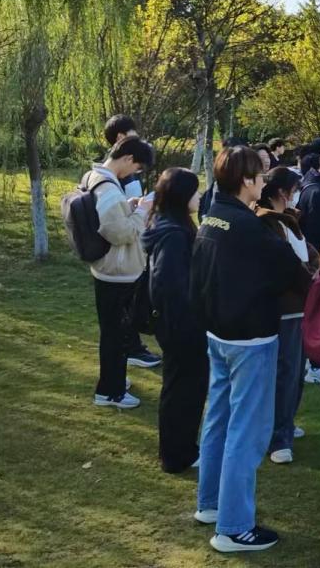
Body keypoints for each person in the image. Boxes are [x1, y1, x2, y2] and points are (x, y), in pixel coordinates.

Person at [191, 146, 312, 554]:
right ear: (246, 181)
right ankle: (234, 526)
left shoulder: (211, 215)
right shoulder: (249, 227)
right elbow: (292, 274)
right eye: (260, 175)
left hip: (218, 335)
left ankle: (209, 504)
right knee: (247, 431)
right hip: (250, 341)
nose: (264, 182)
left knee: (219, 420)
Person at [142, 167, 207, 473]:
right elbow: (167, 283)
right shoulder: (174, 234)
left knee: (183, 387)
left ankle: (182, 448)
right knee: (183, 388)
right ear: (182, 196)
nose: (199, 197)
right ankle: (177, 453)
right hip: (181, 325)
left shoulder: (172, 225)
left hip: (180, 322)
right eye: (195, 192)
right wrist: (187, 320)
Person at [83, 136, 156, 409]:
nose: (135, 173)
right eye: (136, 167)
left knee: (114, 332)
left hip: (108, 269)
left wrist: (132, 206)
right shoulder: (110, 190)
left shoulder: (95, 178)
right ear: (127, 159)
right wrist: (142, 212)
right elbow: (121, 232)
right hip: (116, 272)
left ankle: (114, 378)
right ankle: (109, 391)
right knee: (115, 334)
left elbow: (112, 220)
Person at [255, 167, 318, 464]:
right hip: (286, 307)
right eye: (294, 188)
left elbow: (306, 251)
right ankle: (278, 437)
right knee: (286, 371)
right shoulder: (265, 221)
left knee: (296, 370)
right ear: (283, 191)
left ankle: (287, 424)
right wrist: (309, 278)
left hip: (300, 305)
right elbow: (284, 264)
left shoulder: (288, 219)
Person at [102, 114, 162, 368]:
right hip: (123, 255)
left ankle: (131, 350)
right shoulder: (112, 178)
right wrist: (139, 211)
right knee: (122, 313)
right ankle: (130, 352)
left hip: (132, 246)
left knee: (127, 308)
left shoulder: (119, 173)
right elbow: (118, 228)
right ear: (120, 138)